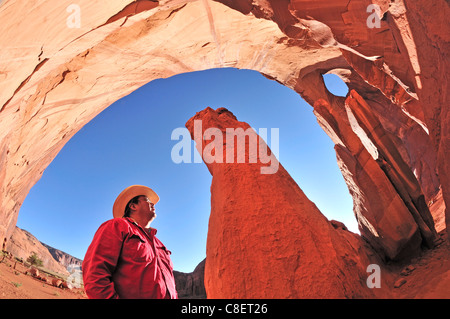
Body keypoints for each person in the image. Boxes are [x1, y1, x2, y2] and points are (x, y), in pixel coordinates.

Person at [82, 185, 178, 299]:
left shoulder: (159, 244)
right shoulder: (117, 226)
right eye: (147, 200)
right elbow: (94, 274)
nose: (152, 204)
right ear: (133, 206)